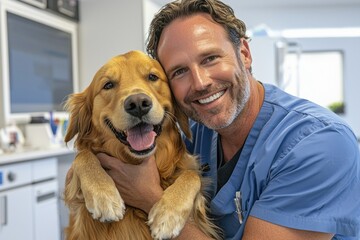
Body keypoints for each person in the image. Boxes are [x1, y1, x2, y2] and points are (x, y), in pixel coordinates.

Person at [98, 0, 360, 239]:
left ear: (244, 53)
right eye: (179, 71)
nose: (200, 83)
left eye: (210, 58)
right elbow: (105, 161)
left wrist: (150, 198)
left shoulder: (321, 144)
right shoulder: (195, 128)